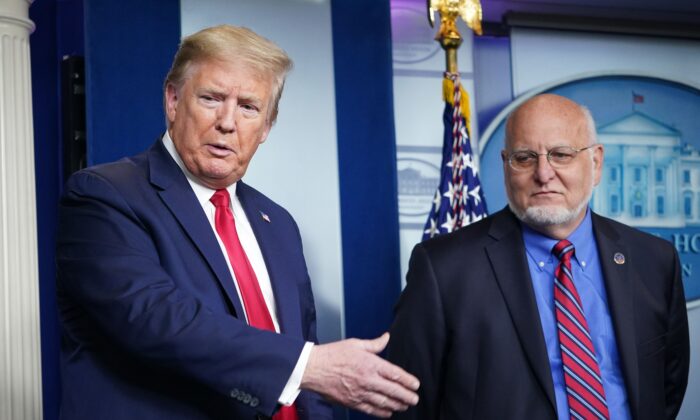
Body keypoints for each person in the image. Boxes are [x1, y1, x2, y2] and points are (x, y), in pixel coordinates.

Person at [56, 25, 418, 420]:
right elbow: (156, 319)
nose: (228, 122)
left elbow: (304, 361)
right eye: (211, 98)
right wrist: (308, 364)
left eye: (248, 107)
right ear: (173, 101)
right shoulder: (105, 195)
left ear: (266, 127)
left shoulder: (277, 223)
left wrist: (311, 373)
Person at [387, 94, 689, 419]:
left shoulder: (654, 260)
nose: (544, 173)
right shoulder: (443, 269)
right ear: (506, 165)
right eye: (525, 157)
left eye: (561, 155)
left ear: (596, 163)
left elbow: (666, 390)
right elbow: (405, 405)